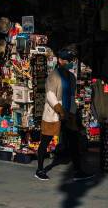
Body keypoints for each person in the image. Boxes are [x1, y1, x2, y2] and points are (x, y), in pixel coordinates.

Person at [35, 48, 94, 181]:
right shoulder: (53, 76)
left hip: (68, 115)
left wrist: (72, 113)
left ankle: (78, 170)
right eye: (66, 60)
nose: (69, 63)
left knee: (73, 142)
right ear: (60, 60)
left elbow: (72, 96)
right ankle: (39, 169)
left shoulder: (71, 77)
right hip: (54, 114)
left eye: (70, 60)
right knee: (45, 141)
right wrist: (59, 109)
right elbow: (50, 95)